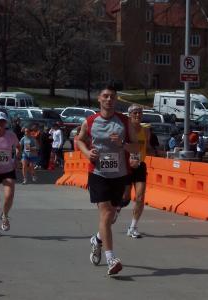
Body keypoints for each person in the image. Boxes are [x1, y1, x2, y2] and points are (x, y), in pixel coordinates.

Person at [76, 84, 139, 276]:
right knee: (105, 213)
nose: (109, 99)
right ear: (99, 99)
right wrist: (88, 153)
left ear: (116, 99)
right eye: (105, 96)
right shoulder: (90, 121)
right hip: (98, 173)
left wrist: (122, 144)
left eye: (112, 96)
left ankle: (97, 239)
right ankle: (111, 258)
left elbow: (136, 147)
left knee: (111, 216)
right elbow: (79, 140)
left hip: (119, 174)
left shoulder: (124, 122)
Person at [123, 104, 152, 239]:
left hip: (140, 165)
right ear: (130, 115)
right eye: (134, 113)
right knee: (125, 197)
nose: (137, 115)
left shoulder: (146, 131)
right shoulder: (125, 130)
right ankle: (117, 208)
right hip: (127, 166)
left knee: (140, 197)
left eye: (139, 113)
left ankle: (133, 227)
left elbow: (147, 147)